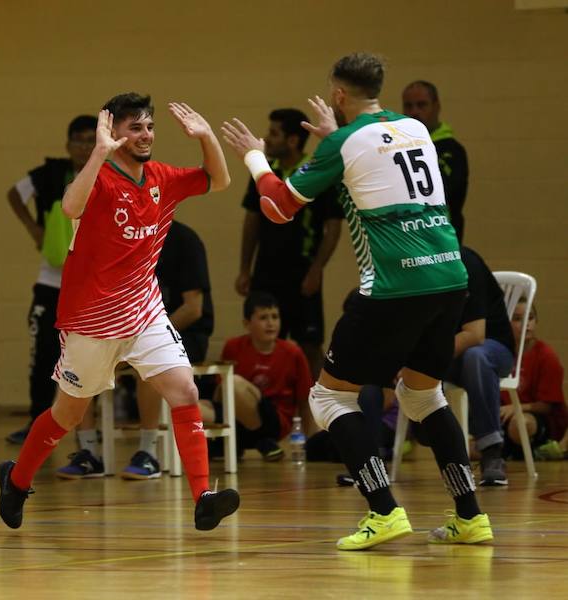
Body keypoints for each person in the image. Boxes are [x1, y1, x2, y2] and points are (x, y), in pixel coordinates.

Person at [223, 52, 490, 550]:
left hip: (395, 285)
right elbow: (373, 157)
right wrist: (334, 134)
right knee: (422, 394)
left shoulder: (343, 143)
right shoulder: (415, 128)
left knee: (328, 396)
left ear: (338, 94)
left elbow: (277, 207)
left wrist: (254, 156)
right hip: (449, 276)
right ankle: (470, 516)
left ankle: (384, 510)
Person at [0, 93, 239, 532]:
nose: (145, 135)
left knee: (184, 390)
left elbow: (218, 180)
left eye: (148, 127)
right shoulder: (99, 179)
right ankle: (15, 481)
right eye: (135, 127)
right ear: (113, 132)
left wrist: (206, 137)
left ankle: (203, 497)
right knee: (67, 415)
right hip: (91, 321)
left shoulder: (162, 178)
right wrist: (99, 152)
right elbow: (71, 206)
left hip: (144, 311)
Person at [55, 219, 215, 480]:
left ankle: (147, 452)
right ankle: (88, 453)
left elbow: (193, 309)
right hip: (127, 328)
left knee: (150, 365)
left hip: (181, 330)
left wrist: (143, 336)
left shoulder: (185, 240)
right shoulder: (120, 237)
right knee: (74, 364)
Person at [5, 115, 97, 445]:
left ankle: (81, 430)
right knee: (43, 353)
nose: (85, 147)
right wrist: (33, 228)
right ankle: (36, 422)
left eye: (91, 140)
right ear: (68, 145)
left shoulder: (106, 174)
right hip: (51, 282)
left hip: (89, 286)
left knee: (86, 357)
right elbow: (14, 194)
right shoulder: (49, 175)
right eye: (79, 140)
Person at [235, 108, 343, 377]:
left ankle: (317, 410)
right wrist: (245, 268)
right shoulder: (264, 171)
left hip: (303, 272)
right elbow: (252, 221)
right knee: (264, 341)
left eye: (274, 133)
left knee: (309, 344)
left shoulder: (316, 172)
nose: (267, 139)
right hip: (267, 271)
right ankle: (271, 408)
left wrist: (317, 269)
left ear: (293, 140)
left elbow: (333, 225)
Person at [201, 293, 311, 461]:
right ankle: (244, 443)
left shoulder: (293, 353)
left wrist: (310, 442)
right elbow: (220, 393)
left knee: (234, 383)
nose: (271, 323)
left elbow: (305, 401)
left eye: (275, 317)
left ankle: (247, 441)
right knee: (190, 407)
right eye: (263, 318)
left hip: (273, 419)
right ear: (247, 323)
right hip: (236, 415)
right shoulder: (233, 347)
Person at [444, 246, 514, 486]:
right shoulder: (412, 267)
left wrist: (427, 360)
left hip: (493, 350)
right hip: (449, 354)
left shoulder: (466, 262)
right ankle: (372, 454)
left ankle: (491, 451)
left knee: (475, 356)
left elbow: (475, 335)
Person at [402, 81, 468, 242]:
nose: (414, 112)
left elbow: (441, 192)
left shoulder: (451, 151)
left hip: (442, 240)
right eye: (408, 106)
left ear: (436, 106)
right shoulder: (398, 149)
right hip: (408, 240)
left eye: (421, 105)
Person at [501, 299, 567, 460]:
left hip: (539, 420)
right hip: (506, 420)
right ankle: (515, 452)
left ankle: (540, 450)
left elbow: (547, 407)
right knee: (468, 449)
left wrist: (515, 408)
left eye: (530, 318)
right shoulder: (501, 355)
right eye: (517, 319)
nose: (525, 324)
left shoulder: (546, 356)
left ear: (536, 321)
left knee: (520, 424)